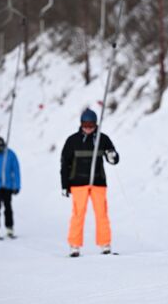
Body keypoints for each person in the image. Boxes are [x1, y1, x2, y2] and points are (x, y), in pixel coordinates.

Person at [60, 108, 119, 257]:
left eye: (91, 124)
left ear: (96, 124)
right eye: (85, 124)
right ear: (81, 124)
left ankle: (105, 243)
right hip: (78, 183)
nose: (88, 127)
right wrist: (64, 185)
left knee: (102, 214)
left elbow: (113, 158)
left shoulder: (102, 139)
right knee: (78, 214)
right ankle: (74, 245)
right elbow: (64, 164)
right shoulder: (72, 140)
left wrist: (113, 156)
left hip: (98, 182)